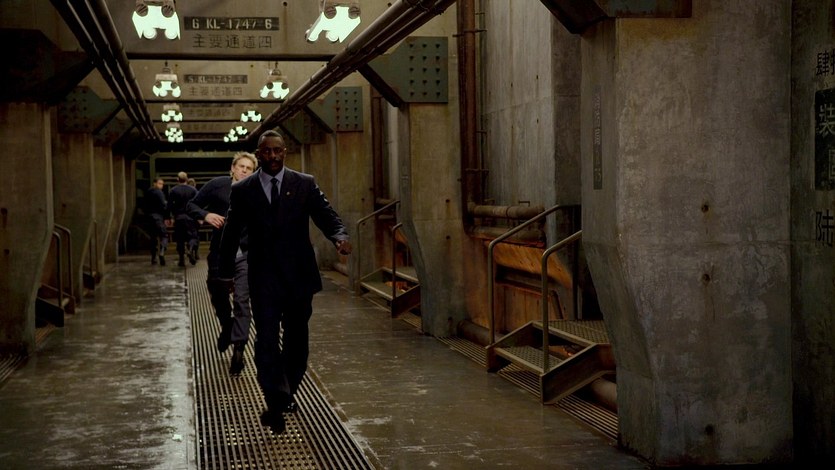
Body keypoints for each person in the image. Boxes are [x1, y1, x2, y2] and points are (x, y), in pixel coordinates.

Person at [218, 130, 352, 434]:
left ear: (285, 152)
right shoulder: (244, 190)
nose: (273, 156)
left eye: (277, 151)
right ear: (259, 154)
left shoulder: (304, 183)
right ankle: (275, 398)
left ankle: (287, 389)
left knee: (297, 340)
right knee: (266, 339)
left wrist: (339, 236)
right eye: (266, 152)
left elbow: (326, 215)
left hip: (298, 277)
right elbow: (231, 233)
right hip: (264, 277)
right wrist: (225, 274)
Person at [187, 152, 258, 375]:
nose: (244, 170)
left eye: (249, 168)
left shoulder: (258, 190)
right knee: (218, 294)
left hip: (246, 255)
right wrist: (206, 215)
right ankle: (227, 326)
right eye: (241, 166)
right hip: (220, 254)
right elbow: (192, 205)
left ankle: (239, 349)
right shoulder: (217, 185)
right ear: (233, 168)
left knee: (242, 299)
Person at [168, 171, 199, 267]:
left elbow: (169, 205)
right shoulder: (193, 190)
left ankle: (181, 259)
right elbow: (198, 203)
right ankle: (190, 249)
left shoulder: (173, 190)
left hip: (179, 218)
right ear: (187, 179)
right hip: (190, 217)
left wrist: (170, 217)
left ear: (178, 179)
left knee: (180, 239)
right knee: (193, 236)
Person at [145, 176, 169, 266]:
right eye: (159, 183)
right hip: (158, 217)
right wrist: (167, 217)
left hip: (149, 218)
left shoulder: (148, 192)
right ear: (154, 183)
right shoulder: (159, 193)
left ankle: (153, 258)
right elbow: (164, 205)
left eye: (162, 184)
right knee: (164, 235)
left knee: (153, 238)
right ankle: (162, 251)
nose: (161, 186)